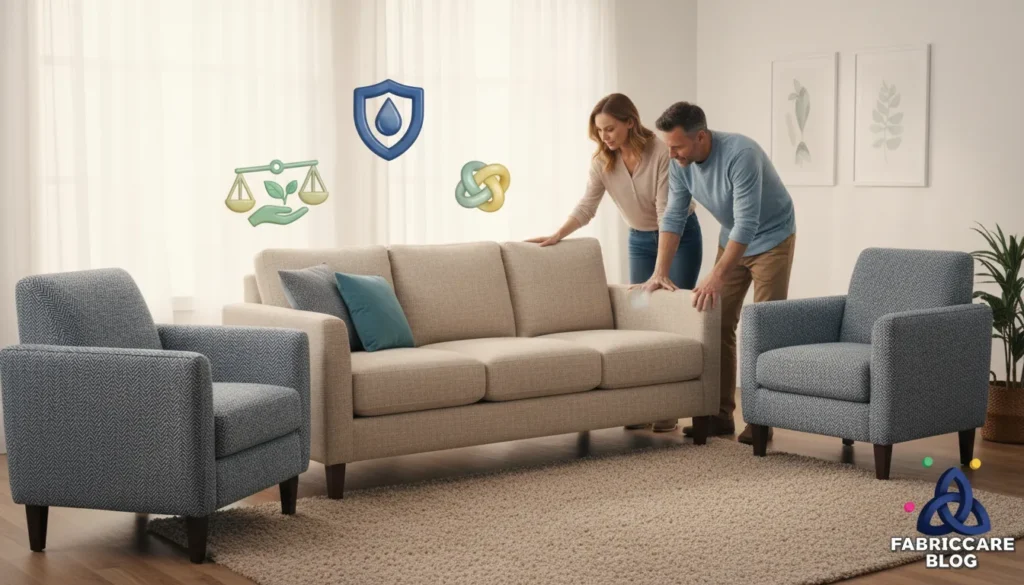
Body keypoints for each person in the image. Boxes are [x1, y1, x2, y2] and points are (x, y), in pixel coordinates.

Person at [528, 93, 702, 433]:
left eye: (609, 128)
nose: (604, 136)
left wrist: (661, 270)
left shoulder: (661, 153)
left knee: (673, 319)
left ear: (630, 123)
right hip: (639, 240)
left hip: (679, 237)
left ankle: (669, 408)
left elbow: (667, 212)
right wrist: (557, 234)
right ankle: (640, 405)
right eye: (599, 130)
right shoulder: (602, 162)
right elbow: (587, 206)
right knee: (641, 318)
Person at [638, 101, 796, 445]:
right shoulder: (680, 163)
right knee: (718, 322)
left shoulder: (742, 154)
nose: (671, 154)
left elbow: (748, 222)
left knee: (763, 326)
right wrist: (659, 271)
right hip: (733, 238)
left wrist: (717, 275)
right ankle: (719, 415)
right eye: (668, 146)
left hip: (772, 238)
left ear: (701, 137)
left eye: (677, 146)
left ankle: (761, 420)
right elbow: (674, 215)